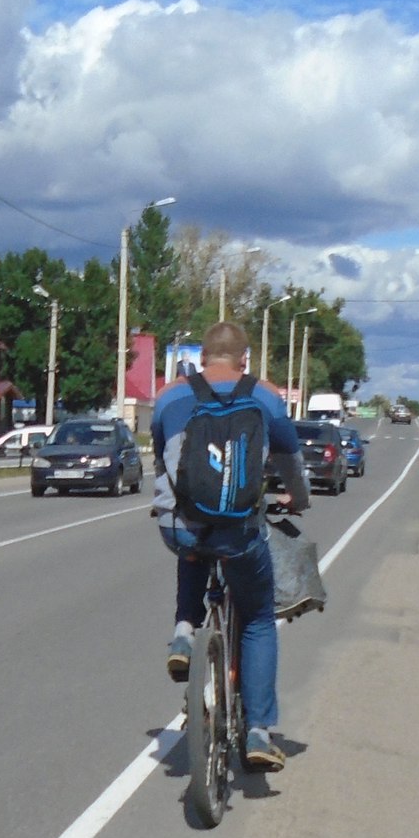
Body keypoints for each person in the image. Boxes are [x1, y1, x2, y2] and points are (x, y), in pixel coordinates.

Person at [150, 320, 308, 772]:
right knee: (258, 617)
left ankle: (184, 633)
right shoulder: (265, 396)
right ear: (245, 360)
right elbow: (290, 460)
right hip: (239, 530)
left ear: (202, 359)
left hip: (181, 525)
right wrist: (297, 497)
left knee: (193, 543)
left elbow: (162, 458)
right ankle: (258, 730)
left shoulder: (169, 396)